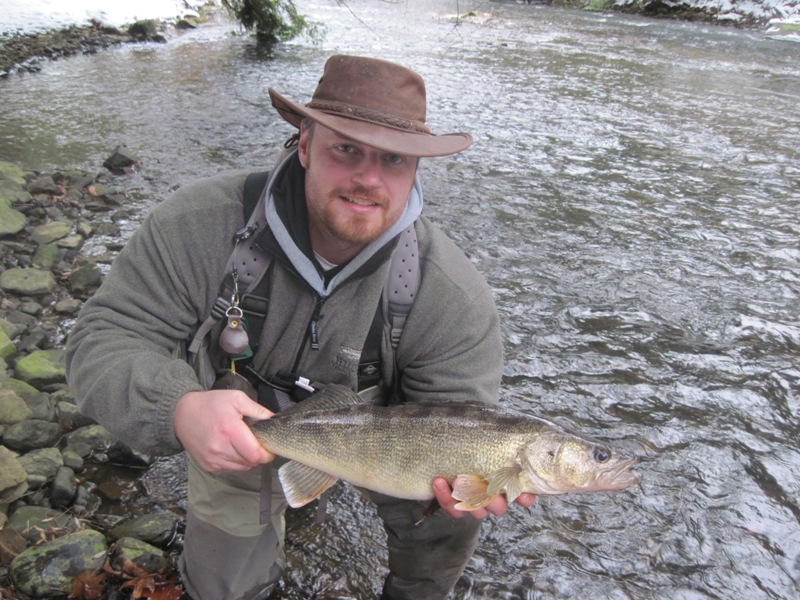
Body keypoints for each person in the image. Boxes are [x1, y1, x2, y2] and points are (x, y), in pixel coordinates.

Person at [66, 54, 535, 600]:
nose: (368, 178)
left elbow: (464, 416)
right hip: (241, 438)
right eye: (346, 149)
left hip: (390, 446)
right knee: (224, 591)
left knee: (455, 515)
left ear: (414, 171)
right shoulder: (197, 223)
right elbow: (102, 340)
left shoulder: (450, 292)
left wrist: (463, 487)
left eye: (393, 160)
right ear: (305, 145)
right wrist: (178, 408)